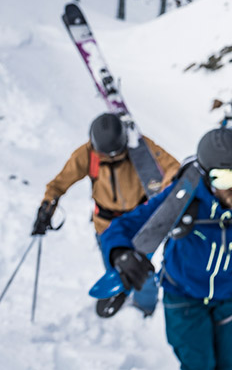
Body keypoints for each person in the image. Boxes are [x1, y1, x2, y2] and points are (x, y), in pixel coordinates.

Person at [100, 127, 232, 370]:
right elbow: (123, 226)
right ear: (207, 176)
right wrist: (119, 253)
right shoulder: (182, 196)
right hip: (183, 296)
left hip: (229, 295)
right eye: (225, 179)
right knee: (199, 364)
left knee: (228, 362)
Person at [33, 112, 180, 317]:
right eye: (106, 154)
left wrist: (165, 193)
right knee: (116, 265)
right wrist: (47, 207)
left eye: (115, 154)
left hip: (139, 224)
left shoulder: (140, 147)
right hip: (106, 225)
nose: (110, 158)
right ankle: (120, 290)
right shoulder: (87, 154)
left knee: (142, 271)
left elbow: (173, 169)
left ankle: (144, 310)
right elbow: (59, 184)